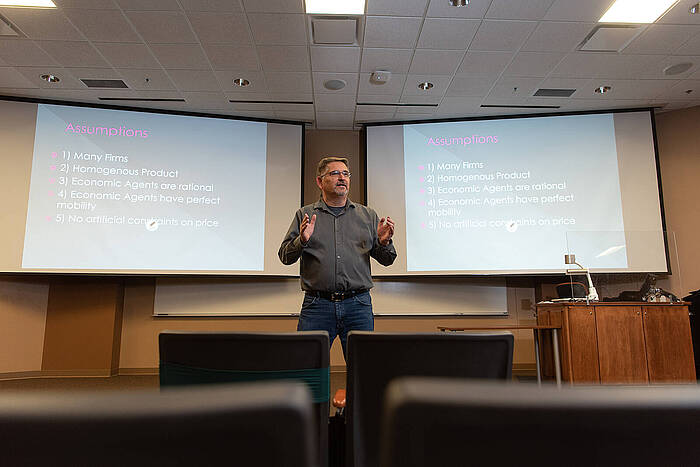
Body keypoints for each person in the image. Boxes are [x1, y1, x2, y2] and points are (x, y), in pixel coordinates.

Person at [279, 156, 396, 357]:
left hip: (358, 305)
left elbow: (387, 259)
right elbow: (285, 257)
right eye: (334, 173)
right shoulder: (305, 215)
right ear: (320, 181)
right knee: (308, 363)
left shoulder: (367, 216)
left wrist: (384, 243)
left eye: (345, 174)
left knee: (363, 365)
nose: (342, 178)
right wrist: (302, 240)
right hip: (317, 306)